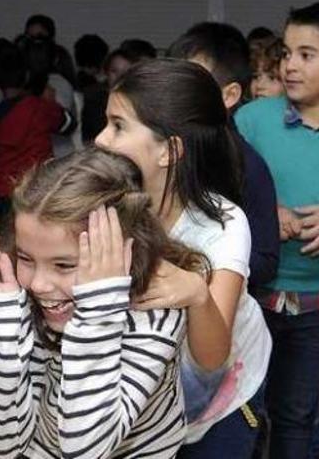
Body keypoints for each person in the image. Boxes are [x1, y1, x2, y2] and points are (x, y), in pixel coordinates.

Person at [0, 147, 207, 458]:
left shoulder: (154, 314)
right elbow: (0, 447)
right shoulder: (30, 300)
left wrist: (98, 315)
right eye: (26, 258)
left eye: (64, 265)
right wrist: (7, 334)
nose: (39, 284)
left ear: (121, 253)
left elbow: (86, 450)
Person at [95, 59, 272, 458]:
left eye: (118, 125)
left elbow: (211, 358)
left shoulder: (222, 226)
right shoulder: (108, 204)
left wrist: (197, 295)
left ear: (169, 151)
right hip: (152, 399)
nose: (100, 140)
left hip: (223, 396)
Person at [234, 1, 319, 459]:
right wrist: (264, 209)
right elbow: (214, 190)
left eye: (307, 54)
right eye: (287, 53)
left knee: (296, 413)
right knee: (243, 408)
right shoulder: (251, 121)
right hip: (249, 296)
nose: (290, 66)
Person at [167, 22, 281, 294]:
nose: (177, 92)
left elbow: (265, 262)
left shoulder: (247, 166)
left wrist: (194, 257)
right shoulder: (161, 148)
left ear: (229, 95)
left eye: (193, 82)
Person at [0, 45, 64, 222]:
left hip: (3, 188)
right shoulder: (40, 108)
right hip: (37, 186)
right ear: (26, 77)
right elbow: (67, 124)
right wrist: (52, 102)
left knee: (7, 241)